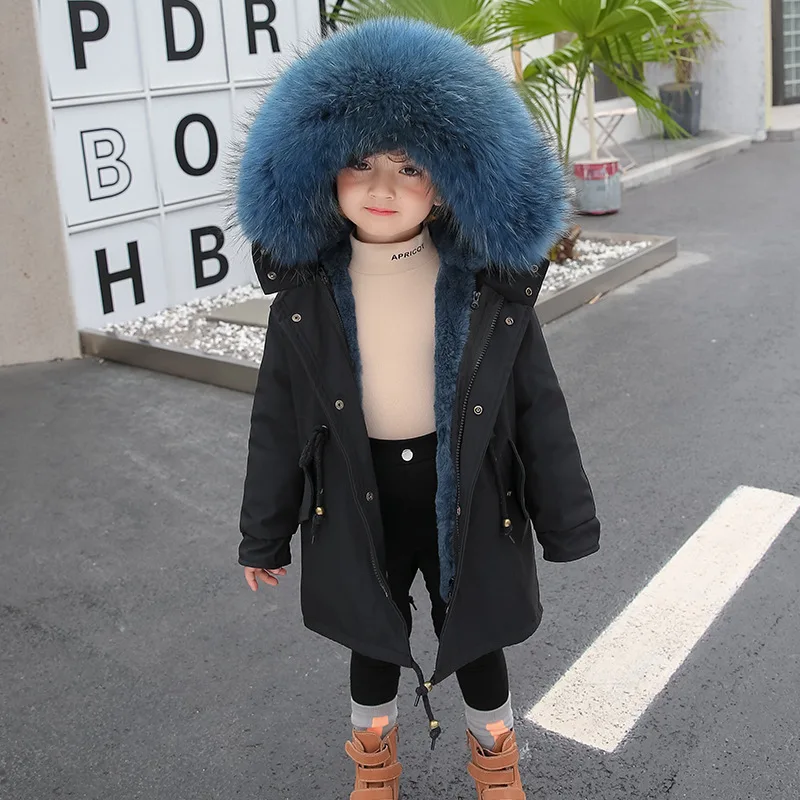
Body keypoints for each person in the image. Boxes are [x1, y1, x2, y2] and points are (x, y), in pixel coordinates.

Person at [235, 16, 600, 800]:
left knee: (477, 634)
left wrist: (566, 521)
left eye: (410, 167)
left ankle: (496, 762)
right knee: (372, 637)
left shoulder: (489, 292)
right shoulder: (304, 299)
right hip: (352, 493)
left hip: (468, 490)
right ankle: (374, 764)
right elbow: (276, 422)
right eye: (359, 163)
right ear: (316, 171)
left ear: (449, 180)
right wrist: (263, 533)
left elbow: (539, 408)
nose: (382, 188)